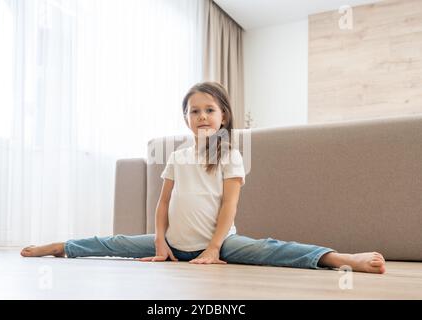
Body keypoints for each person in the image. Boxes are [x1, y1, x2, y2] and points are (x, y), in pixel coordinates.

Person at [21, 82, 386, 274]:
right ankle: (62, 247)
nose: (202, 116)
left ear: (223, 115)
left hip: (222, 243)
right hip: (174, 244)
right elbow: (162, 203)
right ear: (186, 119)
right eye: (194, 111)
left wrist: (213, 249)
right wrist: (161, 245)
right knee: (116, 243)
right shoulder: (177, 156)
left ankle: (339, 259)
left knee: (271, 250)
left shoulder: (231, 154)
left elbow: (230, 204)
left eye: (209, 110)